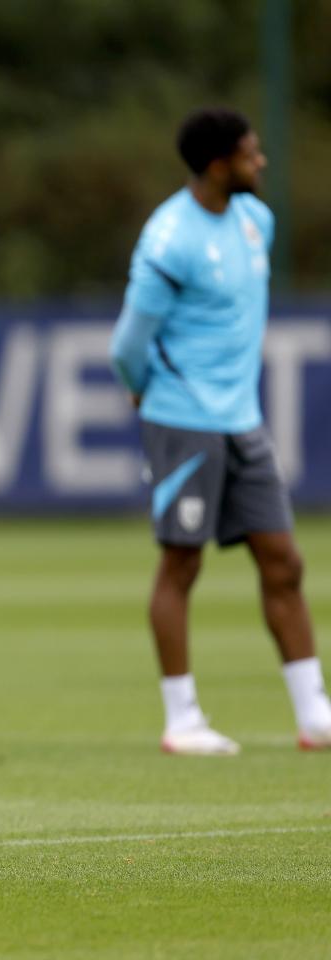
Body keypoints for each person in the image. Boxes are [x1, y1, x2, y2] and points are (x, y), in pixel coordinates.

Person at [110, 107, 331, 755]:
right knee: (181, 562)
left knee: (284, 561)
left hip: (242, 418)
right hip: (181, 418)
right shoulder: (169, 239)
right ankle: (182, 719)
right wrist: (142, 387)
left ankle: (313, 711)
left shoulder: (255, 221)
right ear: (217, 165)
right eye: (250, 154)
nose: (260, 163)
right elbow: (129, 342)